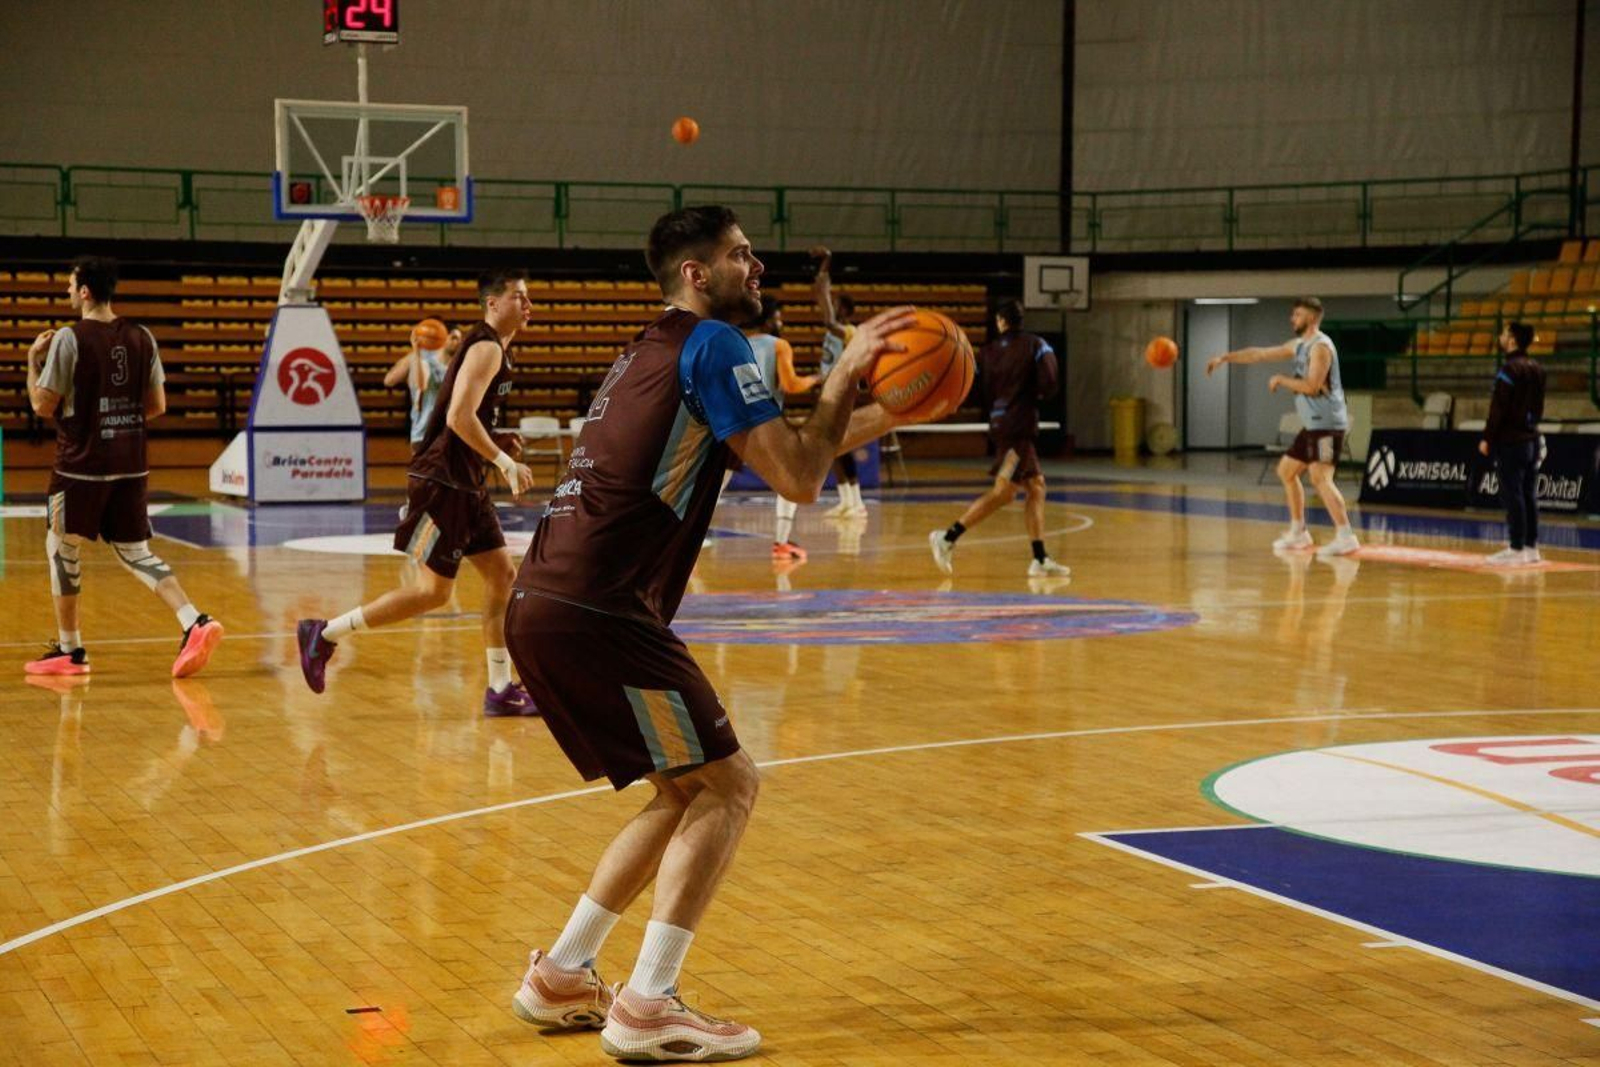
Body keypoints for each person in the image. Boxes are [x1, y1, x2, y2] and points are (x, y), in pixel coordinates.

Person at [503, 206, 915, 1063]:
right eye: (739, 254)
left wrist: (895, 410)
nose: (756, 266)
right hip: (601, 605)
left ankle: (565, 974)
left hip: (544, 598)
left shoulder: (648, 352)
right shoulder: (716, 345)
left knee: (683, 788)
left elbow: (782, 455)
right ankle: (649, 1002)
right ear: (697, 273)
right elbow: (802, 477)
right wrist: (846, 376)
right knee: (730, 785)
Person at [296, 270, 539, 717]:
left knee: (502, 577)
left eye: (529, 299)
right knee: (433, 593)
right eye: (519, 298)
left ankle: (500, 688)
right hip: (442, 483)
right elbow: (458, 419)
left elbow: (467, 416)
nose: (528, 306)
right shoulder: (485, 346)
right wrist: (505, 463)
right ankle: (324, 633)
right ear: (492, 304)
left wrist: (498, 442)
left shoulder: (500, 349)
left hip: (466, 482)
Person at [23, 257, 224, 679]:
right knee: (135, 551)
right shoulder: (143, 337)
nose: (66, 290)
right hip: (131, 464)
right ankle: (194, 620)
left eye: (70, 284)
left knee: (61, 549)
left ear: (84, 292)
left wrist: (31, 362)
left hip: (79, 465)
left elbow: (43, 405)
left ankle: (70, 650)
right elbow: (157, 406)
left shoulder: (69, 339)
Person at [1205, 296, 1360, 558]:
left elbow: (1312, 386)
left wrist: (1281, 380)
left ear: (1311, 318)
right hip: (1313, 425)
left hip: (1328, 425)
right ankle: (1298, 532)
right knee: (1287, 471)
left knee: (1320, 478)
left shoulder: (1320, 348)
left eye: (1297, 315)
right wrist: (1225, 358)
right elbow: (1260, 354)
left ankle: (1346, 537)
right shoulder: (1299, 345)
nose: (1292, 319)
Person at [928, 299, 1070, 578]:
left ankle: (1039, 558)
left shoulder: (987, 352)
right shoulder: (1036, 344)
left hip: (1002, 423)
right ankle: (947, 537)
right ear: (1020, 320)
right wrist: (1035, 394)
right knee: (1005, 492)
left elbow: (975, 386)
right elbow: (1051, 381)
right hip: (1019, 427)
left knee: (1036, 487)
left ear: (1000, 322)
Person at [744, 294, 816, 561]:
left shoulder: (740, 343)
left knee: (715, 486)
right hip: (767, 421)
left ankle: (685, 544)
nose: (781, 321)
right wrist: (817, 378)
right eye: (778, 316)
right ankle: (782, 543)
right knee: (792, 480)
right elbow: (791, 385)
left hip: (736, 421)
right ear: (769, 319)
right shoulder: (779, 345)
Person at [1479, 321, 1546, 565]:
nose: (1501, 336)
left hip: (1511, 441)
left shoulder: (1508, 370)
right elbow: (1538, 408)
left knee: (1512, 494)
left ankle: (1516, 547)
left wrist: (1487, 437)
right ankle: (1531, 546)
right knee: (1528, 493)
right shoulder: (1538, 368)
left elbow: (1499, 409)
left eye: (1505, 333)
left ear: (1513, 340)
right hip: (1531, 438)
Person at [810, 246, 868, 518]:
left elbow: (826, 312)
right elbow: (822, 298)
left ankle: (857, 502)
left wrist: (828, 261)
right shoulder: (834, 330)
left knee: (842, 447)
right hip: (827, 391)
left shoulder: (849, 331)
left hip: (842, 395)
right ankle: (846, 500)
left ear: (845, 310)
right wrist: (821, 275)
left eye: (837, 304)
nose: (832, 305)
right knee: (831, 449)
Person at [384, 319, 458, 453]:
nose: (458, 342)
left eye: (459, 338)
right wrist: (415, 355)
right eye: (453, 337)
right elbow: (389, 380)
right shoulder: (421, 360)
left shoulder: (460, 365)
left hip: (449, 432)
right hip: (423, 431)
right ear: (443, 337)